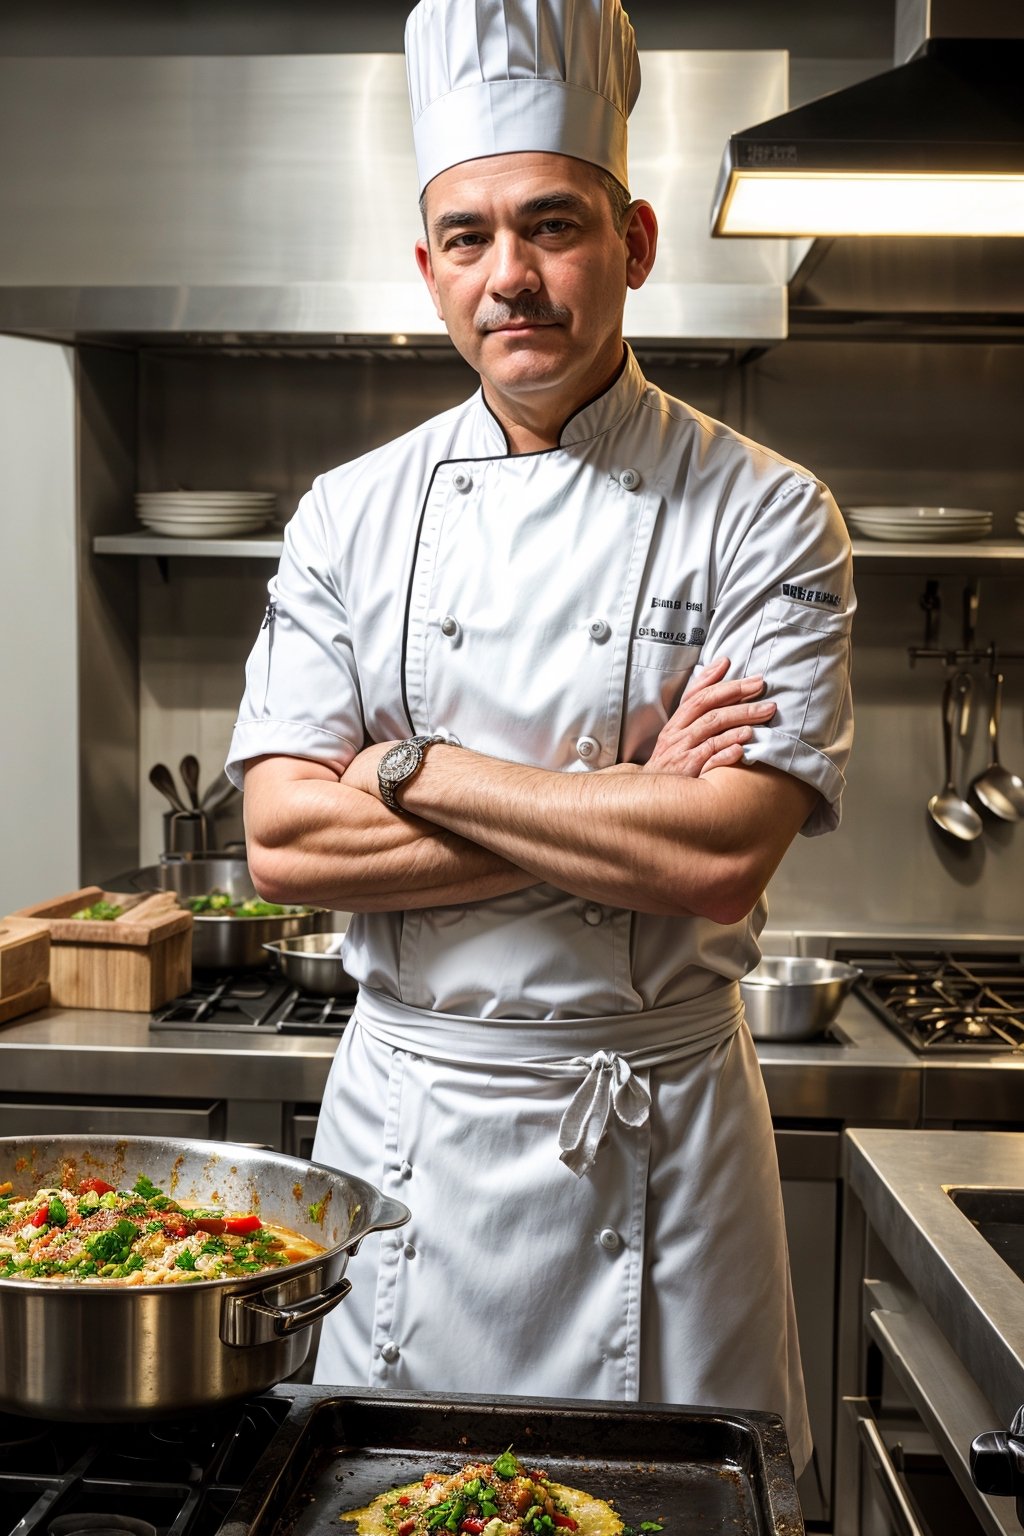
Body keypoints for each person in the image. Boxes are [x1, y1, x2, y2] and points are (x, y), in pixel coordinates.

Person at [225, 0, 854, 1475]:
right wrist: (619, 801)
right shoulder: (351, 512)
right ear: (429, 259)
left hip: (658, 1149)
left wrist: (409, 767)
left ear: (633, 241)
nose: (511, 277)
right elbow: (282, 845)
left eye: (552, 226)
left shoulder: (767, 509)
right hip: (407, 1142)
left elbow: (714, 862)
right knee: (387, 1500)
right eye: (467, 236)